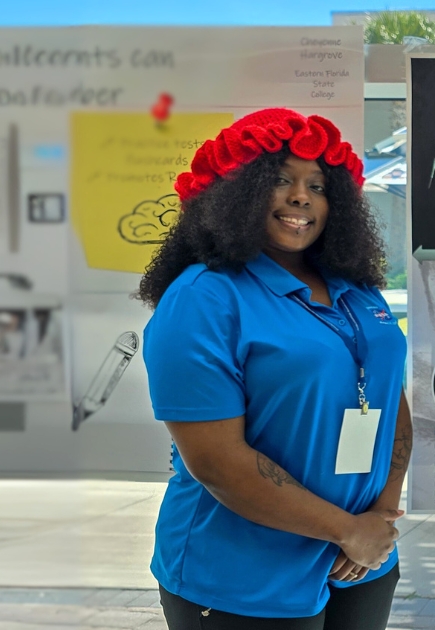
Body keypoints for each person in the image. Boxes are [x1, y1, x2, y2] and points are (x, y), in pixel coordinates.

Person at [137, 108, 412, 630]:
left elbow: (389, 400)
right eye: (280, 180)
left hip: (362, 561)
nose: (301, 197)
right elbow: (217, 463)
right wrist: (347, 529)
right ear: (237, 193)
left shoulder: (356, 289)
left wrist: (378, 518)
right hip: (244, 574)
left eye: (317, 184)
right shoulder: (203, 298)